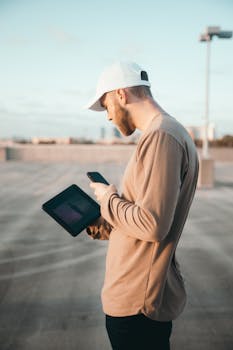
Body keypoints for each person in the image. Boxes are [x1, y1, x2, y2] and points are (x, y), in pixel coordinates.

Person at [84, 61, 199, 350]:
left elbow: (153, 225)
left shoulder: (162, 136)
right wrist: (105, 222)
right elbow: (146, 217)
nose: (108, 117)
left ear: (121, 95)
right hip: (137, 297)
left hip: (137, 302)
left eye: (106, 105)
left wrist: (108, 198)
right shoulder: (165, 133)